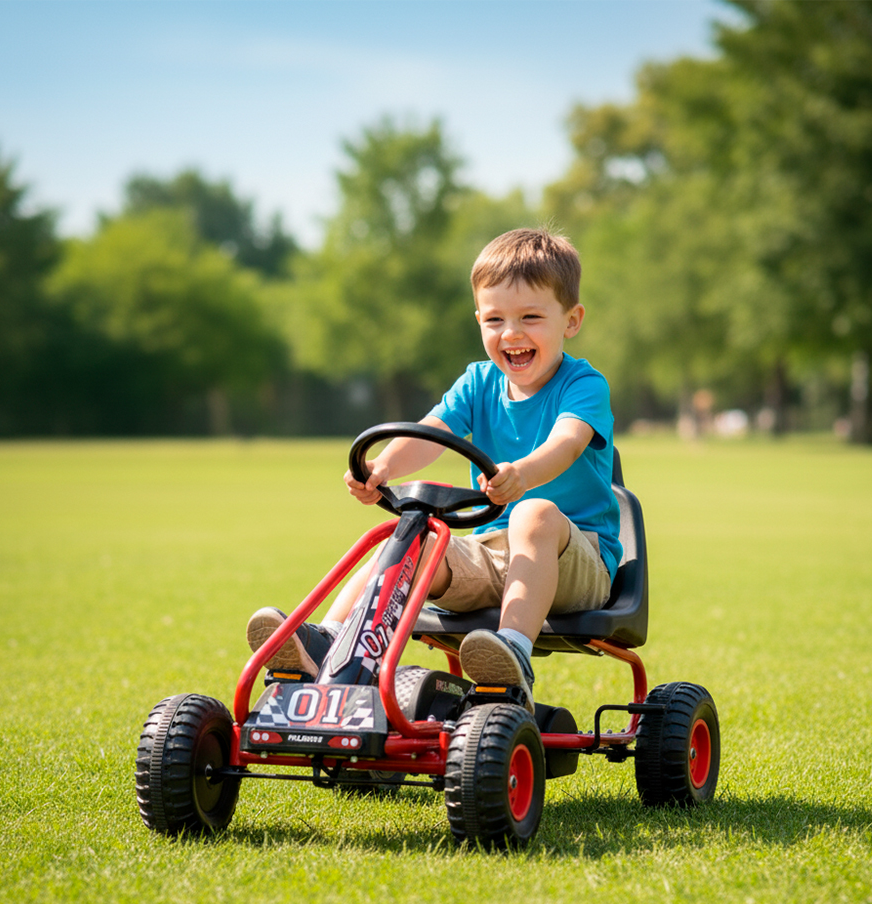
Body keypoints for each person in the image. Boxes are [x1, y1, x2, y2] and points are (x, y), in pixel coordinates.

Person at [247, 228, 621, 712]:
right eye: (494, 319)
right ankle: (326, 641)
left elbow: (566, 444)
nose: (511, 333)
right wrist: (382, 466)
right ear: (479, 322)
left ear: (571, 321)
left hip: (578, 560)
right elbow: (429, 432)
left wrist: (523, 475)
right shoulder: (479, 381)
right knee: (412, 534)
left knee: (534, 514)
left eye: (531, 317)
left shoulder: (583, 384)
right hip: (490, 554)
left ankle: (511, 655)